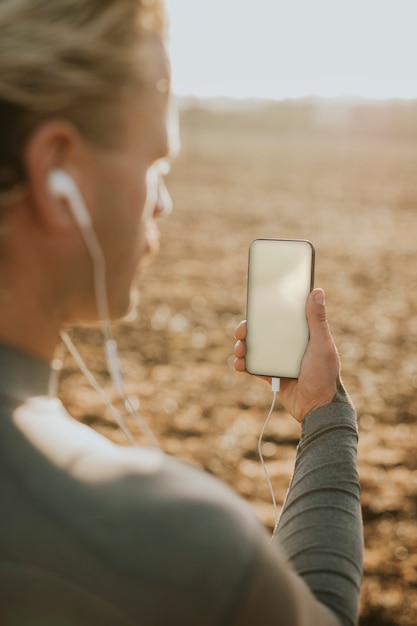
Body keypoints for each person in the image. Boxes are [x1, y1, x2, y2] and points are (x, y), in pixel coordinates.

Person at [0, 1, 363, 625]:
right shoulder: (172, 542)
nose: (161, 203)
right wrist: (327, 420)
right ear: (56, 169)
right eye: (155, 163)